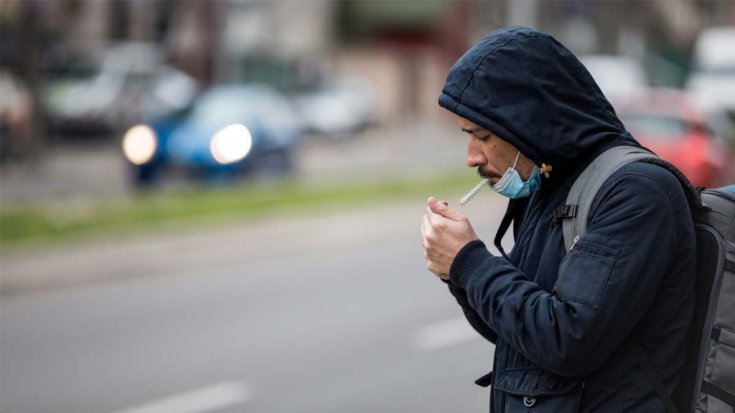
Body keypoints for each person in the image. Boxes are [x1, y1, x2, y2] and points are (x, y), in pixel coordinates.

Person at [420, 27, 696, 411]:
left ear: (528, 120)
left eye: (481, 135)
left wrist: (469, 261)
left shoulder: (635, 191)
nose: (472, 156)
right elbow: (514, 330)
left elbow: (569, 340)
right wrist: (457, 272)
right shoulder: (553, 184)